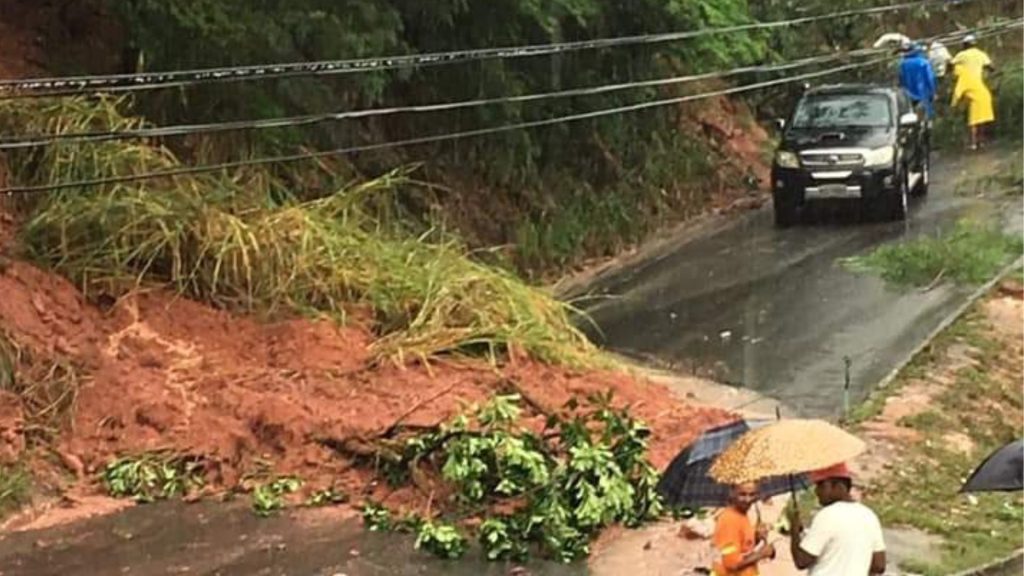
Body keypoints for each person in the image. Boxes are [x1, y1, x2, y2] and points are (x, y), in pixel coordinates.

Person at [787, 463, 886, 575]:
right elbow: (879, 565)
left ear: (839, 486)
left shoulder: (827, 515)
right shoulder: (869, 516)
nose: (816, 491)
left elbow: (801, 561)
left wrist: (794, 532)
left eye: (821, 485)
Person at [712, 482, 775, 576]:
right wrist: (761, 554)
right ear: (732, 493)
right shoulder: (729, 520)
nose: (748, 499)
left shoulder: (742, 514)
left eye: (752, 494)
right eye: (742, 494)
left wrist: (756, 537)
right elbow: (731, 563)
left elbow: (743, 548)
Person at [950, 34, 995, 150]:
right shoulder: (981, 53)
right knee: (982, 121)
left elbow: (951, 65)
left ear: (964, 45)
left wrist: (953, 105)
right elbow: (991, 66)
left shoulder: (962, 57)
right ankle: (981, 142)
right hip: (983, 91)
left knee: (973, 121)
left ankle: (974, 143)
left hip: (973, 96)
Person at [899, 41, 937, 120]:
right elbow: (930, 78)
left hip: (908, 95)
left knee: (909, 117)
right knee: (924, 117)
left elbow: (901, 79)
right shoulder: (924, 63)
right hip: (923, 94)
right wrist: (933, 93)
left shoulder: (903, 64)